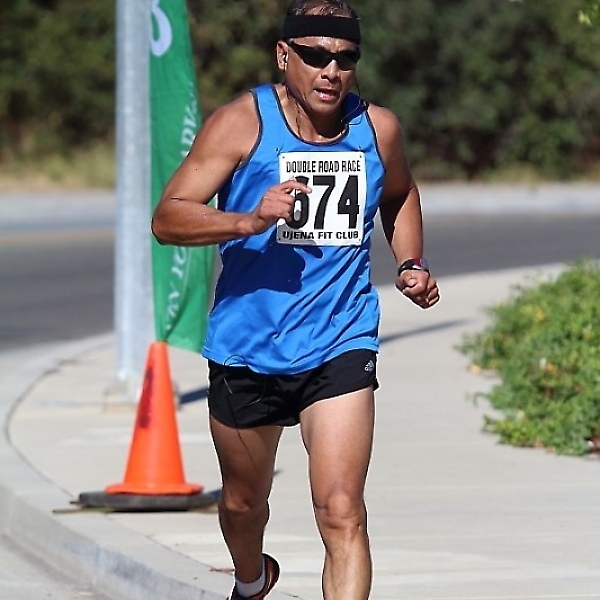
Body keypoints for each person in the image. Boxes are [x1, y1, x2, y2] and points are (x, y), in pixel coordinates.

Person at [152, 1, 440, 598]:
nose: (331, 71)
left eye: (345, 59)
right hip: (247, 345)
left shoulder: (378, 129)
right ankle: (252, 579)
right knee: (242, 503)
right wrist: (247, 220)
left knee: (341, 509)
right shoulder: (242, 123)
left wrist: (410, 261)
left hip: (340, 339)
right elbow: (169, 218)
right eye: (315, 56)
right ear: (285, 57)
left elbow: (400, 192)